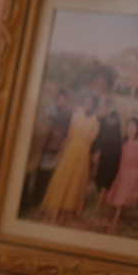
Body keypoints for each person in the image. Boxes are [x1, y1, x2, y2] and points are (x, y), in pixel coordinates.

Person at [39, 93, 100, 223]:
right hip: (70, 151)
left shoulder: (95, 122)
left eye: (91, 103)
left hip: (82, 155)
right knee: (63, 178)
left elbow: (90, 140)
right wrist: (62, 149)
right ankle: (55, 212)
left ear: (94, 106)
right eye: (86, 102)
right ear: (84, 103)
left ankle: (64, 214)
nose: (88, 105)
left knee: (75, 182)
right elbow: (69, 134)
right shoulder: (76, 115)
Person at [31, 88, 72, 208]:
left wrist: (62, 146)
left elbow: (67, 132)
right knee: (41, 173)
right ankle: (36, 199)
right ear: (56, 100)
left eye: (63, 99)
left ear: (66, 100)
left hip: (57, 147)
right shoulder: (50, 111)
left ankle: (44, 200)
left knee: (50, 175)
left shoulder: (68, 115)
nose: (61, 101)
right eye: (59, 99)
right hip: (46, 147)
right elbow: (45, 125)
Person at [105, 116, 138, 234]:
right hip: (122, 173)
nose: (131, 130)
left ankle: (114, 223)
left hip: (132, 174)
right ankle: (108, 219)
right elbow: (120, 161)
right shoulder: (124, 144)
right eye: (129, 127)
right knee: (115, 196)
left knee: (121, 199)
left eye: (134, 127)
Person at [91, 94, 123, 209]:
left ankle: (100, 204)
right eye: (107, 105)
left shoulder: (118, 118)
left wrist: (114, 103)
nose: (109, 107)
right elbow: (98, 136)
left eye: (110, 104)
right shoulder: (101, 119)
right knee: (100, 177)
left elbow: (120, 134)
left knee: (108, 178)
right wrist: (97, 151)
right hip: (104, 152)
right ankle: (100, 201)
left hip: (114, 153)